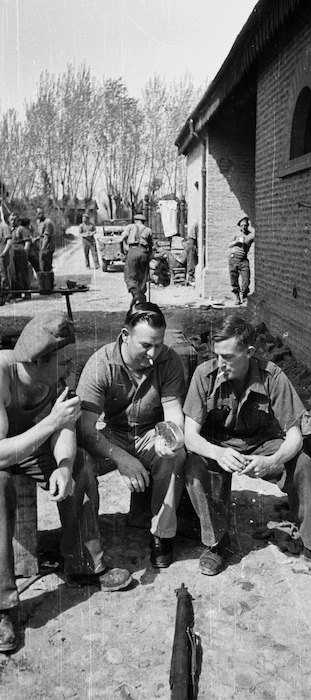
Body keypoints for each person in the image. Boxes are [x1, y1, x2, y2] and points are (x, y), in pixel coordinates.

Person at [183, 315, 311, 584]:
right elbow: (189, 436)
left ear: (249, 353)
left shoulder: (272, 376)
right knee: (193, 466)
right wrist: (217, 453)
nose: (220, 364)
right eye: (217, 356)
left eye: (228, 357)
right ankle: (218, 542)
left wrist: (273, 461)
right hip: (219, 446)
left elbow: (295, 437)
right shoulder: (204, 375)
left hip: (262, 444)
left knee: (302, 464)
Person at [0, 312, 132, 652]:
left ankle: (83, 562)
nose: (71, 367)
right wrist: (50, 425)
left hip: (29, 449)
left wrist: (62, 464)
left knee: (82, 467)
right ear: (39, 360)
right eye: (63, 361)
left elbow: (65, 428)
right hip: (1, 455)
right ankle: (3, 604)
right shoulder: (1, 375)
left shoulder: (57, 379)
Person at [76, 302, 186, 569]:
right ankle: (86, 545)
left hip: (151, 432)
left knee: (176, 455)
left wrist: (169, 437)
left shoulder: (169, 360)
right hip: (112, 434)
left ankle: (162, 535)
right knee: (81, 463)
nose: (153, 353)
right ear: (125, 335)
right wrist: (123, 459)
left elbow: (173, 415)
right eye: (146, 345)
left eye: (158, 345)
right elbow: (86, 428)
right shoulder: (101, 363)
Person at [121, 214, 153, 305]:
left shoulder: (130, 227)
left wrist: (123, 250)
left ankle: (136, 295)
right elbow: (151, 246)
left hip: (133, 251)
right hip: (144, 253)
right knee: (142, 277)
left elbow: (122, 238)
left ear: (135, 220)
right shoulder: (148, 230)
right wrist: (149, 256)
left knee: (130, 275)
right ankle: (141, 298)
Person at [228, 216, 255, 305]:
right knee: (234, 279)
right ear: (239, 226)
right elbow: (229, 245)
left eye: (246, 225)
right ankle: (237, 297)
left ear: (248, 225)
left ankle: (244, 295)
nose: (244, 227)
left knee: (246, 280)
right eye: (242, 225)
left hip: (243, 260)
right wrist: (236, 242)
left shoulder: (250, 235)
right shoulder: (236, 234)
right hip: (233, 259)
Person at [6, 216, 32, 300]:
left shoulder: (21, 229)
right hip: (12, 253)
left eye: (15, 220)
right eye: (11, 220)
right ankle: (16, 293)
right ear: (9, 221)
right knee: (13, 274)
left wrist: (25, 253)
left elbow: (27, 242)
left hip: (20, 253)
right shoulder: (9, 230)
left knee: (22, 273)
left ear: (18, 220)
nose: (13, 221)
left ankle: (27, 293)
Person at [36, 207, 55, 272]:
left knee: (47, 265)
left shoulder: (48, 222)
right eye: (39, 213)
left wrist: (43, 249)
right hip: (41, 244)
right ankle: (44, 281)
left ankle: (49, 281)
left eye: (42, 213)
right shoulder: (38, 222)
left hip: (47, 246)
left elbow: (46, 237)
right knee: (42, 265)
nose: (40, 215)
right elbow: (40, 235)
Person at [0, 212, 12, 305]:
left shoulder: (4, 226)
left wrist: (4, 252)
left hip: (2, 254)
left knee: (3, 275)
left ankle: (6, 296)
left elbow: (9, 241)